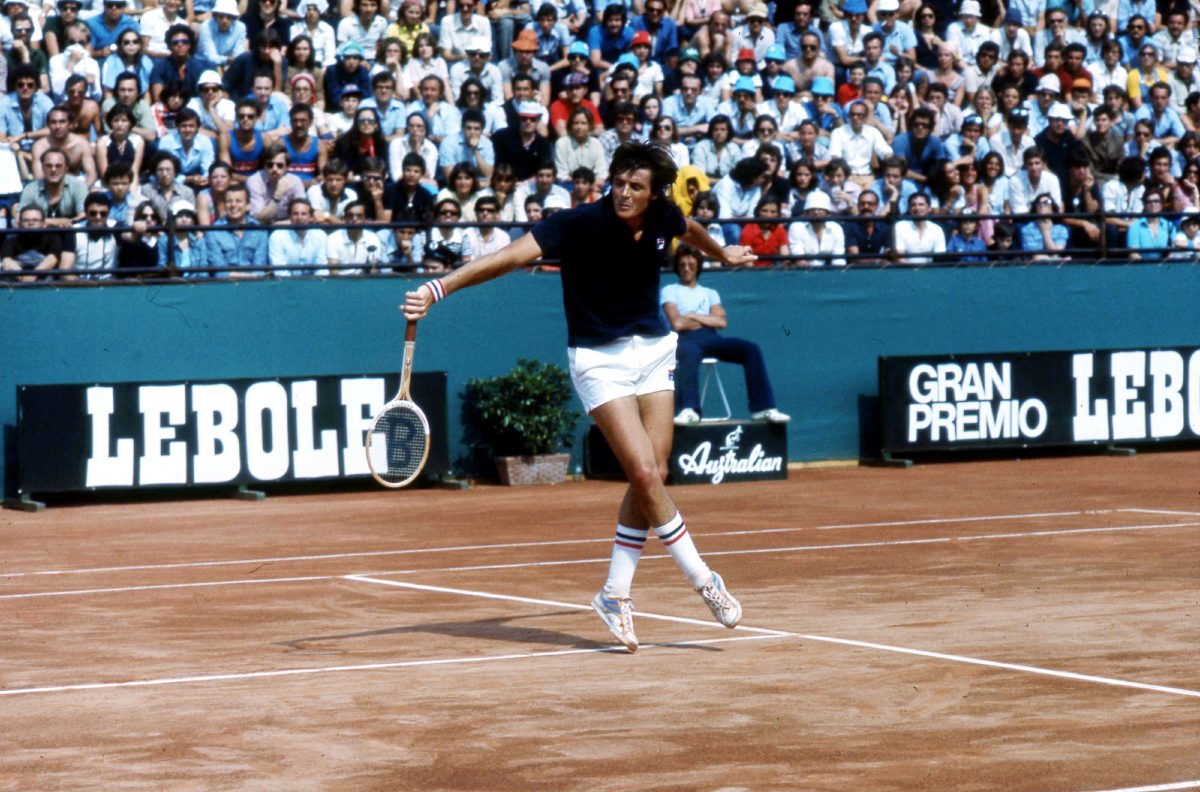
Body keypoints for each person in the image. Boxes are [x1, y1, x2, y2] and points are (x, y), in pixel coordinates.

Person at [403, 141, 751, 652]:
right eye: (620, 183)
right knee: (645, 474)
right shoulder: (576, 223)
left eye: (637, 187)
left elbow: (688, 230)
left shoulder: (663, 217)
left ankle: (614, 594)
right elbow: (506, 258)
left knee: (653, 473)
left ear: (654, 194)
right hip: (598, 360)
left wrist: (722, 252)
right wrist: (440, 288)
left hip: (654, 349)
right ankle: (703, 579)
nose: (625, 194)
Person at [2, 205, 65, 282]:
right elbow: (7, 261)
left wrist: (32, 275)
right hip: (17, 278)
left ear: (44, 224)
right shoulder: (11, 240)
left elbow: (52, 259)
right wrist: (22, 276)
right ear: (19, 224)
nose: (31, 223)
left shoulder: (53, 238)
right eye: (26, 220)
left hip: (44, 277)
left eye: (35, 220)